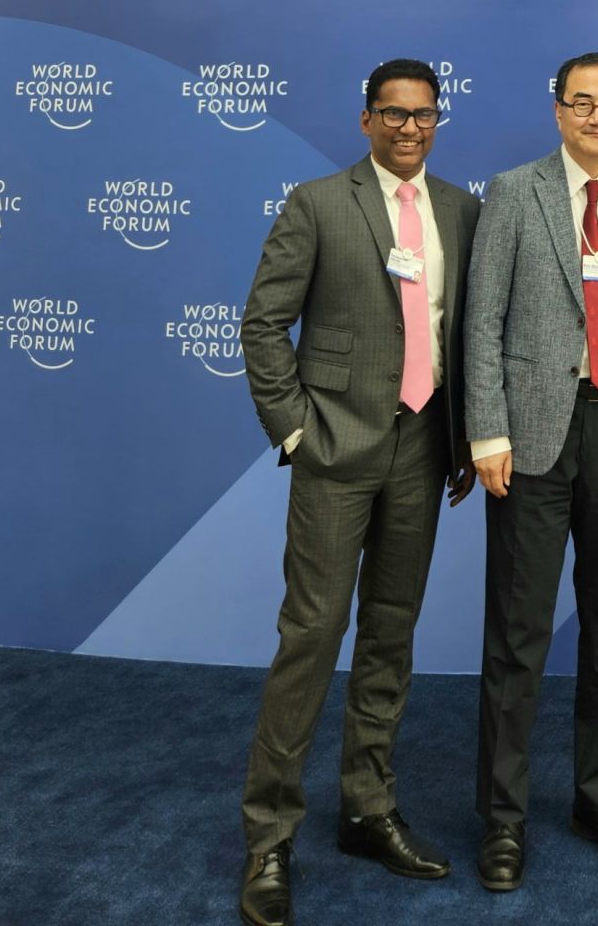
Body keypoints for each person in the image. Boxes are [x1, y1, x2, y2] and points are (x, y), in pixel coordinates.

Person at [237, 59, 481, 926]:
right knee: (310, 635)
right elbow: (263, 324)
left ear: (437, 120)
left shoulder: (461, 210)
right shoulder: (316, 204)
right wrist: (296, 431)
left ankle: (366, 809)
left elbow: (464, 333)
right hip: (335, 449)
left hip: (424, 448)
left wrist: (463, 437)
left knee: (389, 634)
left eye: (424, 114)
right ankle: (269, 837)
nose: (410, 128)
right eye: (393, 113)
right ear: (366, 119)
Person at [464, 51, 598, 891]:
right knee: (518, 633)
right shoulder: (513, 192)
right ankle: (503, 818)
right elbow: (481, 322)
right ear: (557, 110)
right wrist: (486, 431)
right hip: (529, 438)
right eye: (582, 102)